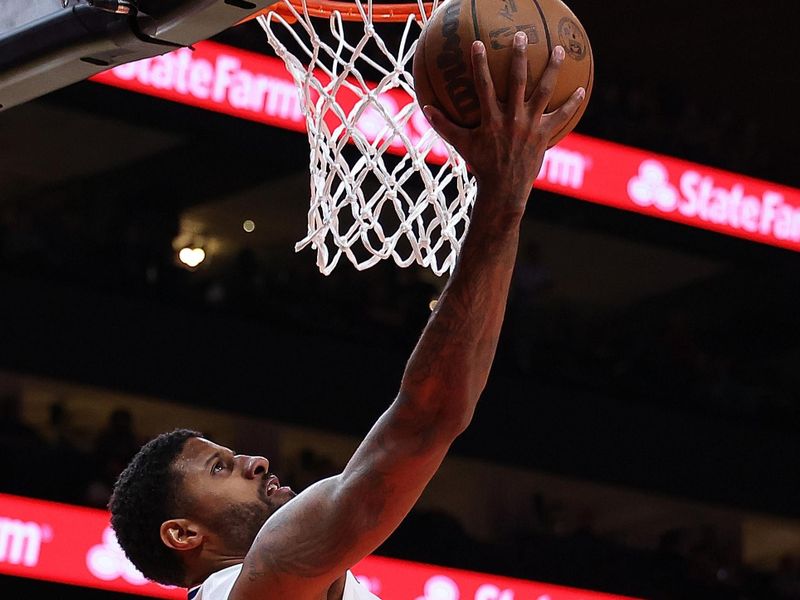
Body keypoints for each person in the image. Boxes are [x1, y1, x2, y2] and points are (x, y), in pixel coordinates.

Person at [109, 35, 585, 600]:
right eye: (220, 468)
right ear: (183, 534)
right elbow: (426, 419)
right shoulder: (250, 581)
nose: (257, 462)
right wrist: (504, 197)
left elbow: (434, 416)